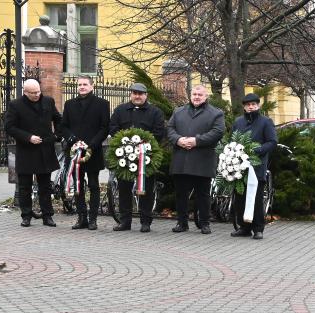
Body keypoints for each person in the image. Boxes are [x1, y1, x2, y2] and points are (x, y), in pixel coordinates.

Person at [167, 84, 225, 234]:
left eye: (200, 94)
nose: (197, 97)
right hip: (181, 159)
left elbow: (218, 132)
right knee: (181, 194)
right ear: (190, 95)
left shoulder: (216, 113)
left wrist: (196, 141)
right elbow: (170, 129)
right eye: (194, 94)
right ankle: (182, 223)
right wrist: (179, 140)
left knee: (203, 195)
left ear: (206, 96)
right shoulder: (178, 111)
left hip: (202, 160)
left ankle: (205, 223)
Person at [109, 82, 166, 233]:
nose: (137, 96)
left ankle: (146, 222)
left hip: (147, 156)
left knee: (146, 190)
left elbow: (159, 132)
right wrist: (124, 143)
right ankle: (124, 222)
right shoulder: (120, 110)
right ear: (131, 95)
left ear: (146, 95)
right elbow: (113, 128)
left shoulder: (155, 112)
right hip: (124, 156)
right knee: (124, 189)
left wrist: (146, 145)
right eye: (134, 93)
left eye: (140, 94)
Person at [5, 79, 63, 227]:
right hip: (26, 150)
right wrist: (28, 137)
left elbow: (58, 119)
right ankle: (26, 216)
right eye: (33, 93)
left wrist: (56, 136)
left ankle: (47, 216)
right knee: (25, 186)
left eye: (38, 91)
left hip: (45, 149)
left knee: (45, 186)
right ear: (25, 92)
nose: (37, 95)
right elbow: (10, 127)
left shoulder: (48, 101)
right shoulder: (16, 105)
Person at [61, 75, 110, 230]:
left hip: (92, 151)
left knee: (94, 185)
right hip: (74, 151)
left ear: (92, 86)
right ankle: (81, 217)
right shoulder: (69, 104)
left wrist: (91, 145)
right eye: (80, 84)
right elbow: (63, 126)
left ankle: (93, 219)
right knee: (78, 185)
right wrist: (73, 140)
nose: (82, 87)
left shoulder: (102, 104)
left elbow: (104, 127)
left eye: (85, 84)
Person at [230, 93, 277, 240]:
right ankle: (244, 227)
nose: (251, 107)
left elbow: (272, 141)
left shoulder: (265, 122)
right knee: (240, 198)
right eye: (248, 105)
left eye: (254, 104)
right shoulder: (238, 122)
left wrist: (257, 151)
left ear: (258, 105)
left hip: (256, 167)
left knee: (255, 199)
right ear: (244, 106)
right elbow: (231, 139)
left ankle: (258, 228)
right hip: (239, 167)